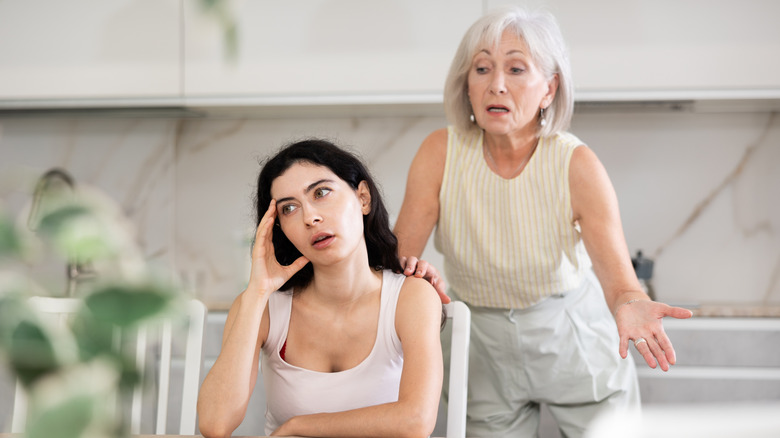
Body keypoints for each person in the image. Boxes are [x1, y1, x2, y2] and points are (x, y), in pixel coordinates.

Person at [393, 6, 693, 438]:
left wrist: (631, 304)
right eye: (482, 68)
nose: (496, 84)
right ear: (466, 82)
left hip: (573, 341)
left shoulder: (576, 163)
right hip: (483, 348)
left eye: (516, 69)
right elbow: (398, 263)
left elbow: (620, 282)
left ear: (549, 88)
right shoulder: (439, 153)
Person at [197, 139, 443, 438]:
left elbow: (415, 421)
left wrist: (300, 426)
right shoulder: (265, 307)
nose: (310, 217)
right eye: (289, 208)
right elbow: (215, 424)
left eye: (321, 192)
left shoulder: (411, 297)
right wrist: (257, 292)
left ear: (363, 198)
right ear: (279, 229)